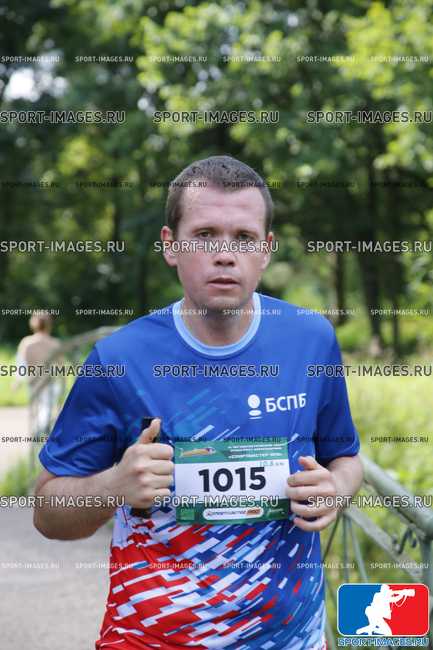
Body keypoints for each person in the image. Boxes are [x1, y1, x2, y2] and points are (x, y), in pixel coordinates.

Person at [33, 155, 363, 649]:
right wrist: (114, 485)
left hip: (290, 639)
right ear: (171, 245)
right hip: (148, 638)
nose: (225, 254)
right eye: (205, 235)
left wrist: (335, 488)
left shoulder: (311, 340)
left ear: (266, 250)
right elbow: (46, 511)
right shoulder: (119, 359)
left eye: (244, 238)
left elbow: (347, 459)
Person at [15, 311, 62, 434]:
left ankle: (39, 430)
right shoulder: (54, 343)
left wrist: (17, 381)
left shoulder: (26, 342)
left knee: (37, 408)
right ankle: (40, 430)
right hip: (50, 382)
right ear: (49, 325)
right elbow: (60, 366)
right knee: (46, 408)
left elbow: (21, 364)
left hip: (33, 381)